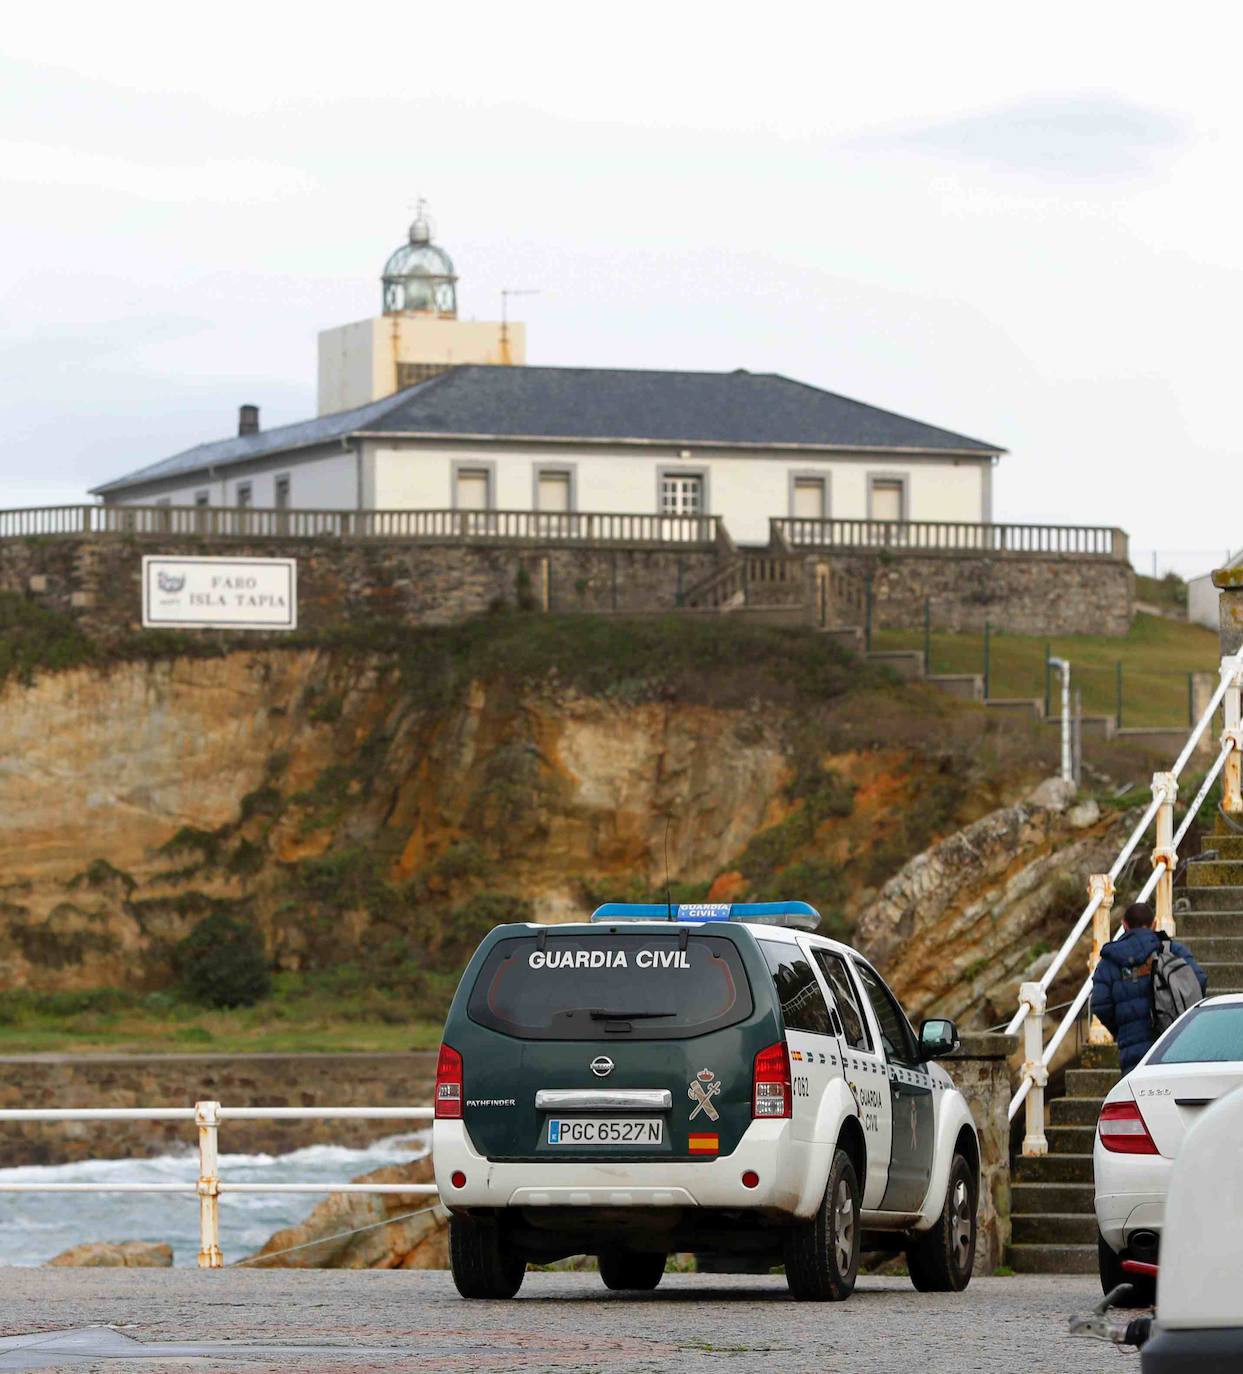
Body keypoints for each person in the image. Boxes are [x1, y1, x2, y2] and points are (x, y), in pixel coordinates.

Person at [1090, 901, 1207, 1074]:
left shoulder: (1109, 962)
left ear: (1124, 925)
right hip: (1172, 1041)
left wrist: (1122, 1028)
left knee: (1139, 1097)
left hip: (1132, 1049)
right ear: (1154, 924)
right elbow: (1199, 981)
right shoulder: (1172, 950)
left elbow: (1100, 1004)